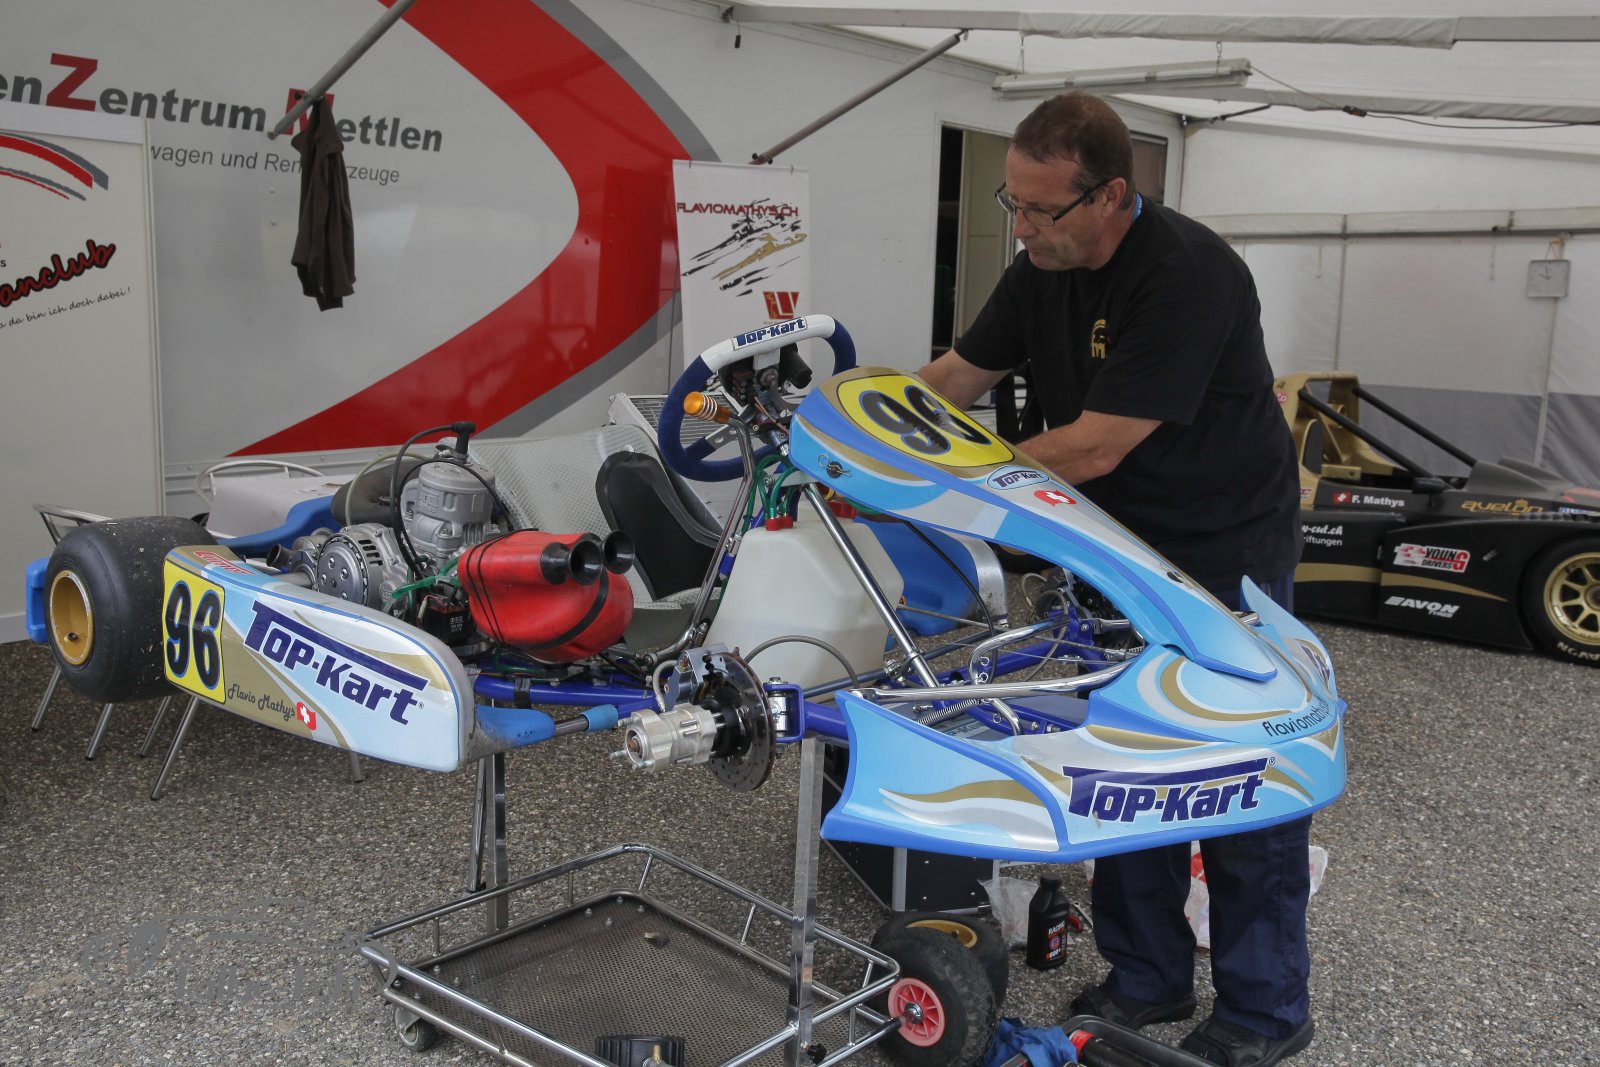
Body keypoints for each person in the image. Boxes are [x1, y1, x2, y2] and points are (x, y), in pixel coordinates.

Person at [918, 92, 1314, 1067]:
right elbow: (954, 379)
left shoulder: (1187, 274)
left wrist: (954, 480)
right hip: (1114, 546)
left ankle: (1267, 1007)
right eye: (1012, 203)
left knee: (1234, 766)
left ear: (1109, 195)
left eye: (1038, 208)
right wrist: (859, 433)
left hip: (1224, 551)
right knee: (1126, 758)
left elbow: (1095, 446)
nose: (1020, 227)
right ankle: (1147, 973)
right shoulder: (1040, 265)